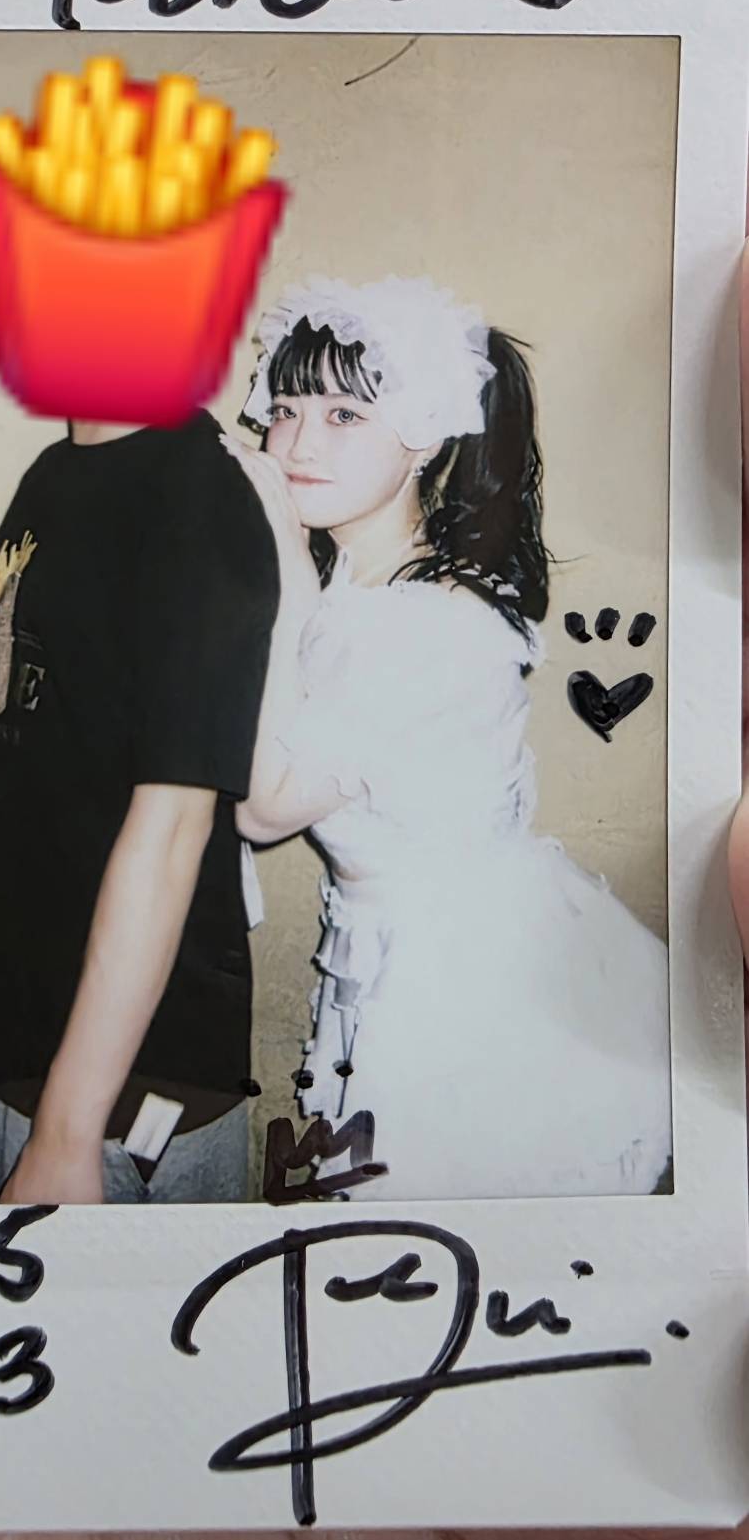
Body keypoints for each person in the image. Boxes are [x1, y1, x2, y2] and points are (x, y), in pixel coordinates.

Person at [224, 274, 672, 1200]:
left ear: (423, 434)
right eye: (287, 409)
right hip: (395, 949)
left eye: (345, 414)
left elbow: (263, 809)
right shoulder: (360, 588)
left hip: (465, 981)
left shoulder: (430, 620)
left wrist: (285, 573)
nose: (298, 442)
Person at [0, 408, 279, 1204]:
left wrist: (67, 1131)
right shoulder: (57, 470)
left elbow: (174, 828)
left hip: (106, 1114)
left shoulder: (197, 490)